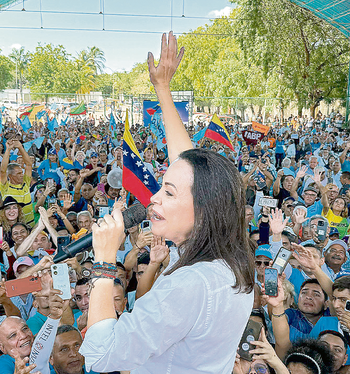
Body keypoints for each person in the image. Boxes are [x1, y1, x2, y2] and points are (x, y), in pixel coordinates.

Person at [79, 32, 255, 373]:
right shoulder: (227, 261)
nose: (154, 198)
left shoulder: (188, 285)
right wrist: (162, 87)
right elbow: (186, 163)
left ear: (204, 211)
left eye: (169, 193)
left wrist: (102, 263)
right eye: (161, 187)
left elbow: (101, 356)